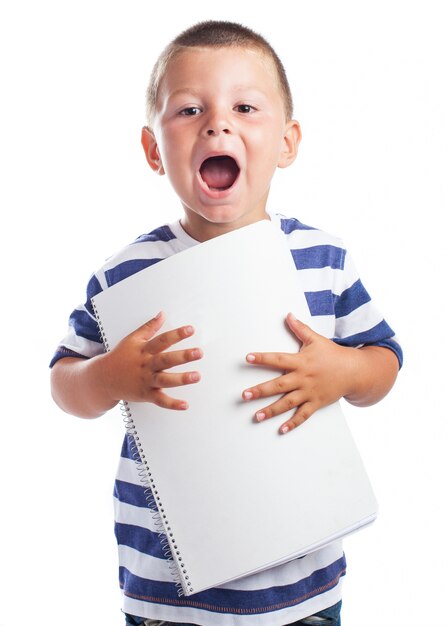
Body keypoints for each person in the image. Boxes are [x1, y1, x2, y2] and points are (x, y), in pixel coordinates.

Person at [50, 20, 402, 626]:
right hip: (165, 592)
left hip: (302, 589)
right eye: (189, 110)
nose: (217, 123)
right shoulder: (124, 275)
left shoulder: (323, 259)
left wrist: (341, 370)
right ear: (154, 149)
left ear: (288, 142)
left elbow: (385, 363)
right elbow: (64, 382)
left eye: (245, 106)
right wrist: (109, 376)